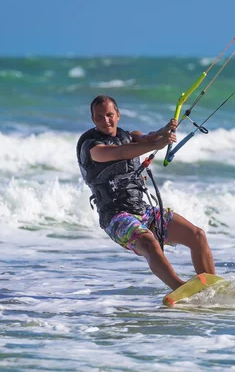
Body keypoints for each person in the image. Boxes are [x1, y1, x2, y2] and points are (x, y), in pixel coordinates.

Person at [76, 95, 215, 290]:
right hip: (116, 217)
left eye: (109, 115)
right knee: (149, 241)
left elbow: (147, 137)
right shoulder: (91, 147)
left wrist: (164, 131)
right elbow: (120, 153)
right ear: (93, 120)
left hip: (143, 210)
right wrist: (155, 145)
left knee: (197, 235)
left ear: (118, 115)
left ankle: (211, 288)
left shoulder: (129, 135)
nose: (105, 120)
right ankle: (181, 289)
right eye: (99, 117)